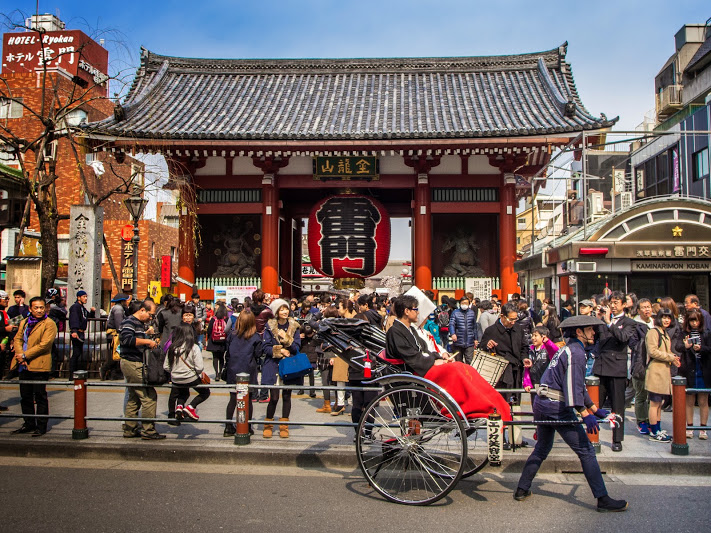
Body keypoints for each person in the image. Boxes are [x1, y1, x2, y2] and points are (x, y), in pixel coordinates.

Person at [514, 315, 628, 513]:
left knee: (542, 448)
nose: (593, 333)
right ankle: (602, 498)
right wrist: (585, 414)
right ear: (579, 332)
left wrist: (595, 410)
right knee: (586, 450)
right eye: (590, 329)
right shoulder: (576, 352)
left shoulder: (568, 350)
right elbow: (572, 387)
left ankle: (522, 489)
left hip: (543, 402)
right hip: (556, 406)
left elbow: (578, 387)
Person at [385, 295, 511, 420]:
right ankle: (470, 407)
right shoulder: (395, 331)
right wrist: (434, 362)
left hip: (421, 366)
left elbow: (424, 349)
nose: (418, 313)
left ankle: (491, 403)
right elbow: (412, 357)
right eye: (415, 309)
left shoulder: (409, 329)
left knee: (464, 367)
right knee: (455, 370)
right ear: (407, 311)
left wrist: (439, 358)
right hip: (414, 371)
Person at [592, 291, 636, 452]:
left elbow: (623, 338)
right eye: (611, 302)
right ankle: (592, 436)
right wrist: (596, 320)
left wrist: (609, 322)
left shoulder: (629, 322)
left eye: (616, 302)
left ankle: (617, 439)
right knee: (595, 404)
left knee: (618, 406)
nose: (613, 305)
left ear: (624, 304)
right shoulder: (603, 321)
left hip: (617, 368)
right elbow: (593, 338)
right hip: (602, 365)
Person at [10, 297, 57, 436]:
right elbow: (18, 339)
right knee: (25, 396)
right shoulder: (25, 322)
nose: (39, 310)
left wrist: (25, 355)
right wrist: (20, 355)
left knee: (40, 396)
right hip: (23, 365)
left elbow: (44, 345)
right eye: (36, 308)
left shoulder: (49, 324)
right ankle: (29, 423)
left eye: (42, 307)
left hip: (39, 364)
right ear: (30, 309)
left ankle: (41, 426)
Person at [119, 299, 165, 440]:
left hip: (133, 362)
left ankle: (130, 429)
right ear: (142, 310)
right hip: (132, 363)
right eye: (150, 314)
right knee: (149, 396)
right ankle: (148, 430)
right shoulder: (129, 322)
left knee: (134, 397)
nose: (151, 318)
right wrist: (147, 341)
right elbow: (126, 339)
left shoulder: (138, 324)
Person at [261, 299, 301, 439]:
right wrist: (280, 351)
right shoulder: (269, 326)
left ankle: (284, 426)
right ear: (276, 311)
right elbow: (265, 347)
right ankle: (268, 424)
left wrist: (287, 339)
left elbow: (296, 347)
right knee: (274, 397)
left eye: (286, 308)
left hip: (288, 366)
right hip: (273, 365)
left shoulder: (294, 326)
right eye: (281, 309)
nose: (285, 311)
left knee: (286, 396)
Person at [224, 310, 262, 436]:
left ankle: (228, 427)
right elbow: (258, 354)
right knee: (248, 400)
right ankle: (247, 426)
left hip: (233, 369)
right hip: (248, 370)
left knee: (233, 399)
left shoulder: (232, 335)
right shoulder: (256, 337)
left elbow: (228, 353)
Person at [645, 308, 681, 442]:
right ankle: (654, 432)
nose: (666, 320)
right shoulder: (654, 332)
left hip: (663, 372)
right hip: (655, 372)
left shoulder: (664, 333)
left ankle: (658, 429)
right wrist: (669, 356)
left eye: (669, 317)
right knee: (654, 403)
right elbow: (653, 351)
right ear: (659, 318)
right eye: (664, 317)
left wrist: (672, 358)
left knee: (659, 403)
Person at [164, 323, 211, 426]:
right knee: (205, 393)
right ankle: (190, 407)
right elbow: (199, 367)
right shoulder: (193, 347)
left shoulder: (172, 347)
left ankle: (179, 408)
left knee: (184, 393)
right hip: (190, 377)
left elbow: (166, 366)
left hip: (176, 378)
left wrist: (175, 372)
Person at [680, 309, 710, 440]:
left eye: (696, 320)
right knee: (689, 400)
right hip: (689, 368)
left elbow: (710, 348)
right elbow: (677, 347)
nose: (694, 323)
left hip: (703, 369)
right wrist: (686, 347)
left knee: (704, 400)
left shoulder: (707, 333)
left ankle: (703, 428)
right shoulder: (683, 333)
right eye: (692, 320)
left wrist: (701, 348)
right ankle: (690, 427)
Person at [630, 298, 654, 434]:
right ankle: (642, 421)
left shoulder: (656, 323)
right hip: (640, 364)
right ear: (638, 310)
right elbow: (633, 344)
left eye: (648, 307)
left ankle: (653, 420)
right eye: (644, 307)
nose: (647, 310)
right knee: (641, 395)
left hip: (655, 366)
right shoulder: (635, 325)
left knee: (654, 396)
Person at [102, 294, 129, 381]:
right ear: (122, 301)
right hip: (114, 334)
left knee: (116, 355)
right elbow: (119, 323)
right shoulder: (118, 309)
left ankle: (113, 374)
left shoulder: (118, 308)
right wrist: (122, 332)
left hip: (113, 334)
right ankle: (104, 368)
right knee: (115, 355)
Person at [68, 290, 94, 374]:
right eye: (84, 297)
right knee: (76, 353)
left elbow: (87, 316)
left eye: (86, 296)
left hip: (81, 332)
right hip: (77, 332)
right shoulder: (75, 307)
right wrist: (74, 330)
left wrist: (92, 312)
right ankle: (72, 373)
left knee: (78, 353)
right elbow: (74, 319)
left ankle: (75, 372)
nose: (85, 298)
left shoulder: (82, 307)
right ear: (78, 298)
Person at [448, 296, 479, 364]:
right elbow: (451, 324)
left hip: (469, 341)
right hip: (458, 341)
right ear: (460, 304)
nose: (464, 304)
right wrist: (453, 334)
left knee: (469, 361)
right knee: (458, 362)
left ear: (469, 304)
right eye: (463, 303)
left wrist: (476, 338)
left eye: (466, 303)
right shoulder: (455, 313)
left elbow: (474, 326)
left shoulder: (472, 313)